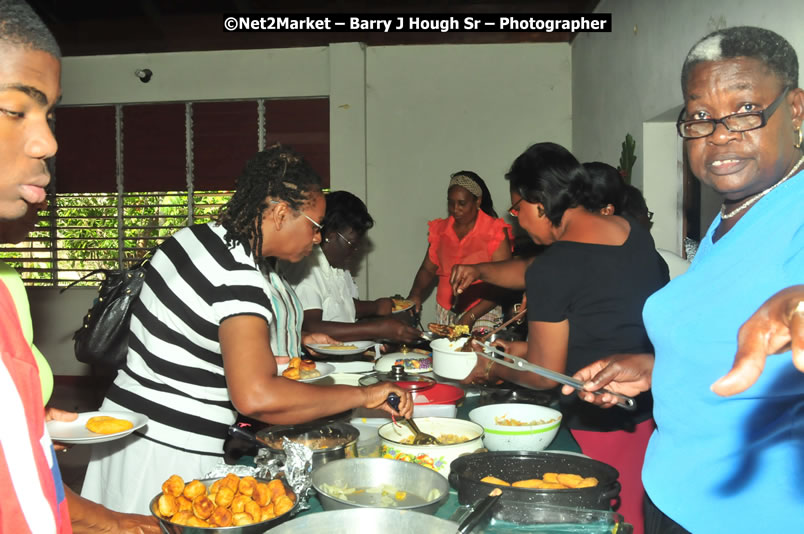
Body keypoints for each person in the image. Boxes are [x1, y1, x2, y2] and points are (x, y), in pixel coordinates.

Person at [80, 145, 413, 514]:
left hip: (122, 429)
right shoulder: (241, 279)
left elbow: (185, 340)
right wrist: (362, 396)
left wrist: (271, 359)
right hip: (169, 454)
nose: (318, 239)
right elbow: (256, 398)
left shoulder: (190, 239)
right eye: (316, 227)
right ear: (282, 214)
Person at [564, 27, 804, 534]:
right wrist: (658, 367)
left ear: (797, 110)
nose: (719, 133)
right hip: (673, 493)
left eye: (745, 110)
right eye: (700, 116)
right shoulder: (728, 219)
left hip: (751, 517)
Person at [0, 2, 160, 532]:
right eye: (15, 110)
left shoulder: (6, 287)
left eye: (50, 115)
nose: (48, 142)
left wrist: (28, 426)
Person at [458, 143, 669, 533]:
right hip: (650, 418)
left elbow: (544, 375)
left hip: (594, 425)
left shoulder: (554, 268)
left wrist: (494, 367)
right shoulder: (632, 232)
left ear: (540, 204)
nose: (516, 219)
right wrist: (515, 351)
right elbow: (603, 319)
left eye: (517, 208)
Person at [280, 190, 420, 343]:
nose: (355, 250)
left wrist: (377, 308)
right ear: (330, 235)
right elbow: (311, 327)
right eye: (351, 244)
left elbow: (341, 304)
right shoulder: (306, 266)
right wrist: (376, 328)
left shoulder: (339, 266)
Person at [407, 171, 513, 331]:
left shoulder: (495, 231)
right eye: (451, 203)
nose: (455, 209)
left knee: (477, 354)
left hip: (483, 310)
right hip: (446, 309)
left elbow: (503, 282)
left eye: (462, 203)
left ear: (477, 201)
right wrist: (415, 294)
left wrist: (470, 316)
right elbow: (428, 269)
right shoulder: (440, 230)